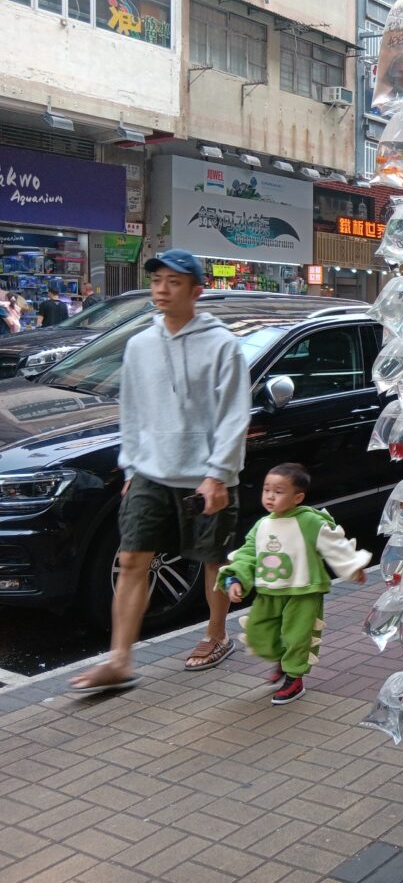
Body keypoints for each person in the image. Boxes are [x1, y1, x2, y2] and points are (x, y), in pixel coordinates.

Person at [69, 250, 252, 695]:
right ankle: (120, 660)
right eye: (157, 282)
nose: (162, 290)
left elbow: (234, 415)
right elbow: (131, 411)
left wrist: (218, 474)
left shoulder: (222, 344)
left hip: (207, 474)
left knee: (212, 561)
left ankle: (216, 636)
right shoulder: (140, 345)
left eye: (173, 282)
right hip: (151, 471)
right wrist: (131, 466)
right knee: (132, 559)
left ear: (196, 290)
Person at [219, 463, 372, 704]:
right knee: (260, 635)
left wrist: (353, 567)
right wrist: (235, 577)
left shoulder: (309, 521)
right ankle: (284, 661)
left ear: (297, 497)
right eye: (266, 489)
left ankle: (294, 677)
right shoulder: (262, 525)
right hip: (269, 591)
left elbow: (334, 544)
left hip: (304, 590)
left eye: (279, 491)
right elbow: (248, 553)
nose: (270, 496)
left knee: (297, 636)